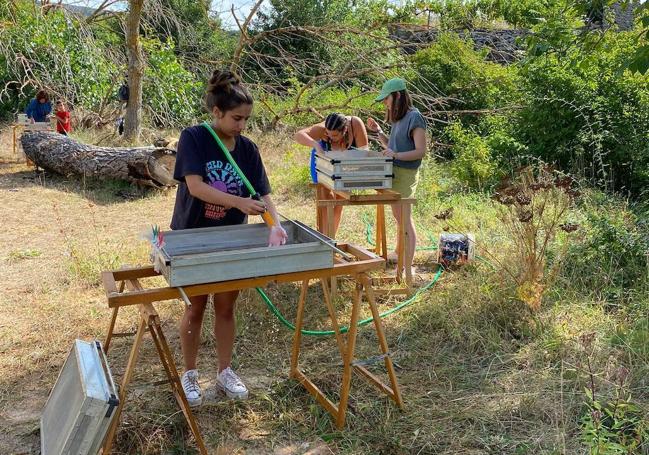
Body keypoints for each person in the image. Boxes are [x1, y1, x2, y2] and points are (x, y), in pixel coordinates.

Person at [171, 69, 288, 406]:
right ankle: (190, 374)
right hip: (193, 237)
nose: (241, 125)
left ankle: (224, 371)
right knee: (195, 308)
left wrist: (274, 224)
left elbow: (263, 195)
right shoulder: (194, 138)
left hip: (232, 237)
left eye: (246, 119)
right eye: (236, 118)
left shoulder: (248, 149)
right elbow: (195, 186)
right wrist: (239, 202)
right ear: (216, 112)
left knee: (226, 307)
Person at [366, 78, 427, 276]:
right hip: (393, 173)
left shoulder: (415, 117)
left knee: (405, 221)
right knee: (400, 219)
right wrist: (379, 132)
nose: (385, 103)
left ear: (398, 96)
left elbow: (420, 151)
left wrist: (396, 155)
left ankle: (407, 269)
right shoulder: (398, 118)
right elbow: (392, 147)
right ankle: (400, 257)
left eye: (387, 99)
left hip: (406, 174)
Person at [294, 112, 369, 236]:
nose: (331, 137)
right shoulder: (322, 128)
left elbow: (364, 153)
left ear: (344, 130)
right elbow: (298, 135)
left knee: (340, 200)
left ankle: (331, 238)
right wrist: (316, 145)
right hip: (323, 160)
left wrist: (348, 164)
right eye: (328, 134)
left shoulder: (356, 124)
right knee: (326, 198)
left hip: (347, 162)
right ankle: (323, 237)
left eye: (334, 135)